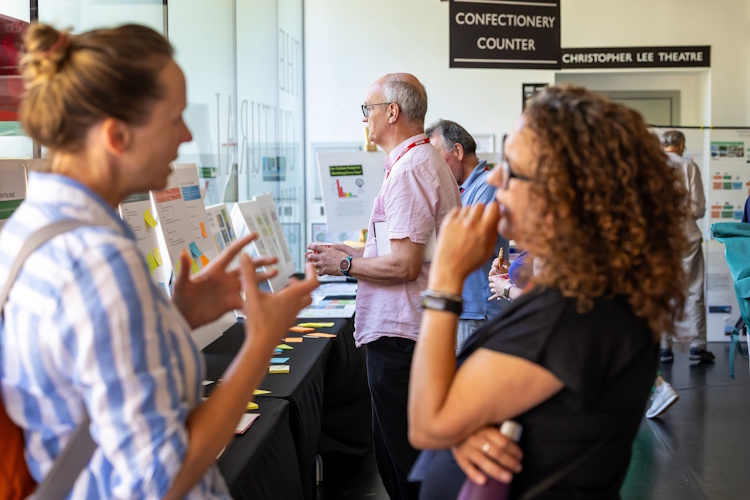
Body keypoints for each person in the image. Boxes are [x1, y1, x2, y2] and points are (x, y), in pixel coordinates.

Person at [0, 23, 317, 499]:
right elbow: (162, 478)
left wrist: (176, 316)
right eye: (174, 118)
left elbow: (87, 377)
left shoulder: (30, 229)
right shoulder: (98, 262)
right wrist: (262, 343)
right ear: (117, 134)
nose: (188, 134)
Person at [407, 86, 687, 498]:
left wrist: (446, 281)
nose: (496, 177)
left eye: (514, 170)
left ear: (565, 197)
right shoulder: (585, 293)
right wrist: (466, 424)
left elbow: (427, 423)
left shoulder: (575, 315)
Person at [307, 73, 461, 499]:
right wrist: (350, 252)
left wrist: (346, 263)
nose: (364, 120)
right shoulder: (420, 162)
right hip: (412, 331)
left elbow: (406, 265)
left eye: (367, 110)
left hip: (402, 335)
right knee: (400, 457)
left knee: (405, 465)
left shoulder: (411, 169)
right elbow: (405, 251)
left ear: (392, 112)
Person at [425, 119, 509, 351]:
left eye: (438, 158)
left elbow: (463, 243)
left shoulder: (486, 185)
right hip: (465, 309)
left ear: (458, 151)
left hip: (477, 312)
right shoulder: (460, 191)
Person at [660, 129, 714, 364]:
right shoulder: (689, 166)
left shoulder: (652, 167)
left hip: (661, 238)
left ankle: (664, 348)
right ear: (681, 144)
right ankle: (697, 346)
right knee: (693, 290)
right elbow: (698, 209)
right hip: (686, 236)